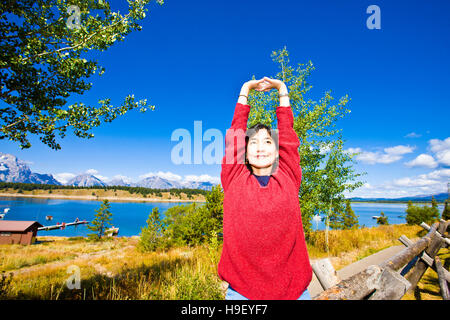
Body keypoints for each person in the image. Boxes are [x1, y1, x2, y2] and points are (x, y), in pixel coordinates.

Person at [218, 77, 313, 300]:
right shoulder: (234, 178)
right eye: (253, 142)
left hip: (295, 293)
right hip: (242, 295)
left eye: (268, 142)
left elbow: (288, 136)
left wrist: (282, 90)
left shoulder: (288, 176)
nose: (261, 147)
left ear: (278, 151)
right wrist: (244, 91)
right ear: (244, 151)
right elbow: (235, 136)